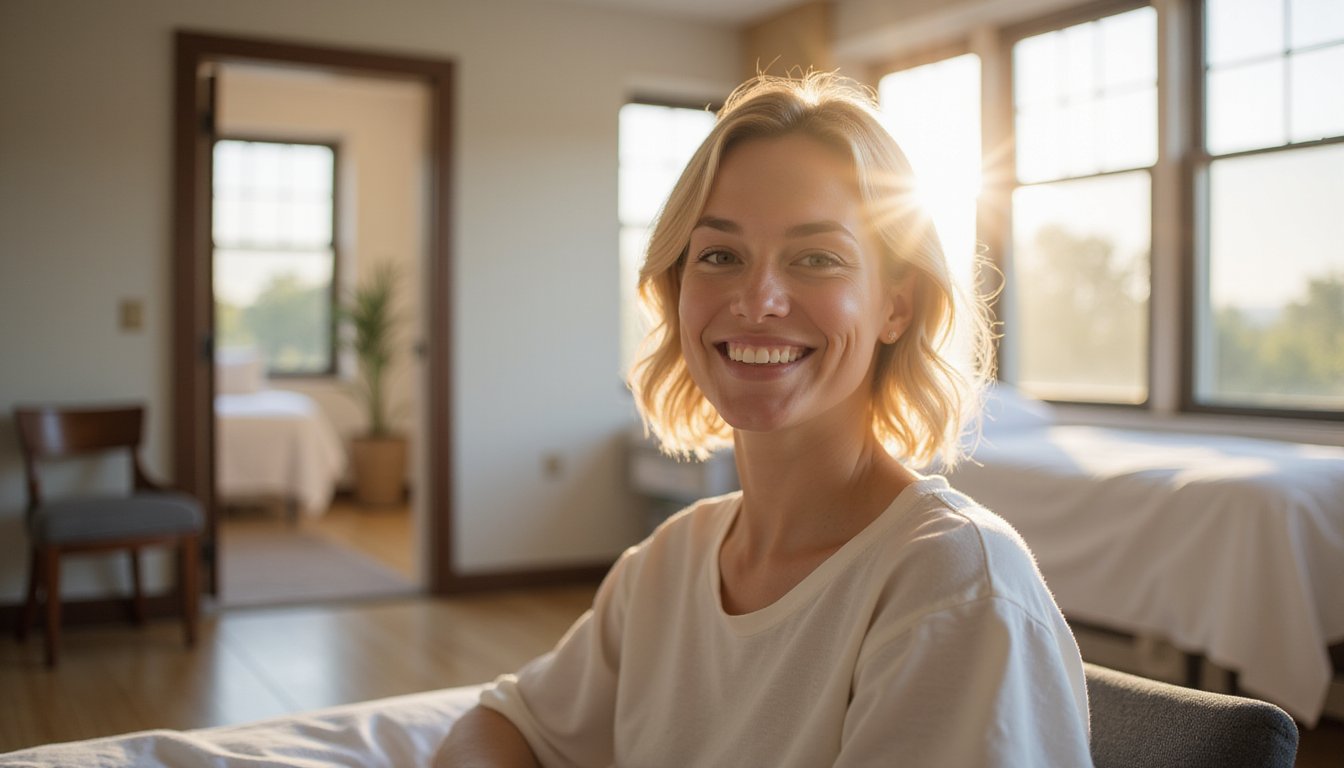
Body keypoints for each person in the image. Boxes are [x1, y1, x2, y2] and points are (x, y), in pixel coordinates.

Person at [435, 73, 1091, 767]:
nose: (759, 300)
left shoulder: (953, 582)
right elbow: (498, 728)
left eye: (816, 258)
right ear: (676, 289)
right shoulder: (665, 564)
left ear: (895, 306)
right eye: (720, 255)